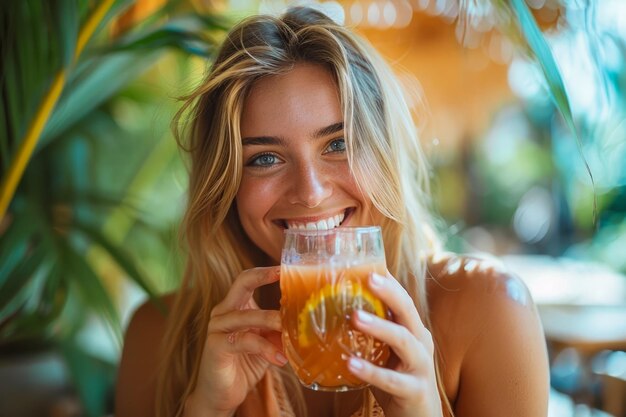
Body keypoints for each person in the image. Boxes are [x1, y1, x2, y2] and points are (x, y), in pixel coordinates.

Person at [115, 6, 550, 417]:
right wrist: (206, 409)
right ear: (225, 181)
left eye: (339, 144)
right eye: (265, 158)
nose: (310, 192)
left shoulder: (489, 311)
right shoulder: (158, 336)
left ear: (385, 156)